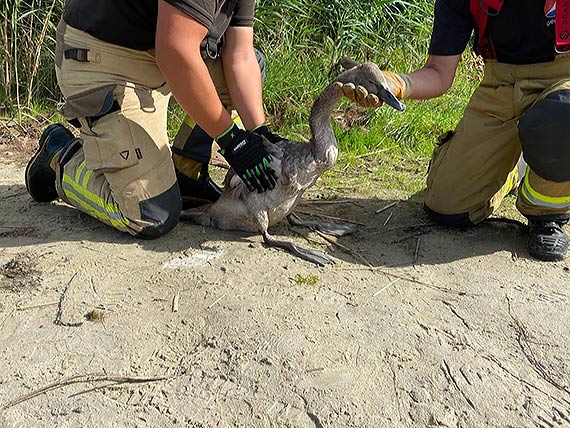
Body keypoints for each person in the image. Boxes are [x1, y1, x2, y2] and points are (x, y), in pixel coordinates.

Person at [336, 0, 570, 261]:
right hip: (501, 83)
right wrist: (395, 83)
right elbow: (438, 72)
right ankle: (514, 170)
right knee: (447, 208)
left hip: (564, 78)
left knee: (562, 114)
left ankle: (547, 214)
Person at [25, 0, 281, 239]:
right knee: (150, 214)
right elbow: (175, 52)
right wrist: (232, 140)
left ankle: (187, 172)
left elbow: (241, 55)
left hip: (159, 52)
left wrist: (260, 133)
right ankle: (61, 158)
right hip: (103, 58)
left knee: (253, 68)